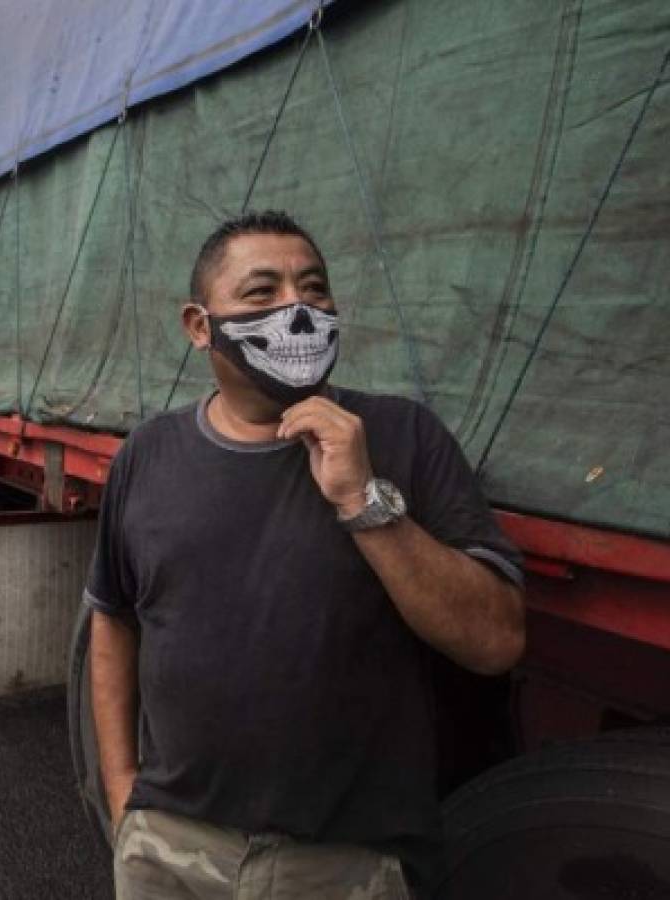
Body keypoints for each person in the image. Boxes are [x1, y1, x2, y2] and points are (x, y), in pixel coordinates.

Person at [86, 211, 526, 900]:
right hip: (168, 850)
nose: (297, 310)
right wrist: (123, 799)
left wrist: (363, 501)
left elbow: (497, 640)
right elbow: (114, 620)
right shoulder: (147, 455)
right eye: (262, 293)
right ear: (199, 326)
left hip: (344, 865)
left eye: (313, 290)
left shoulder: (404, 436)